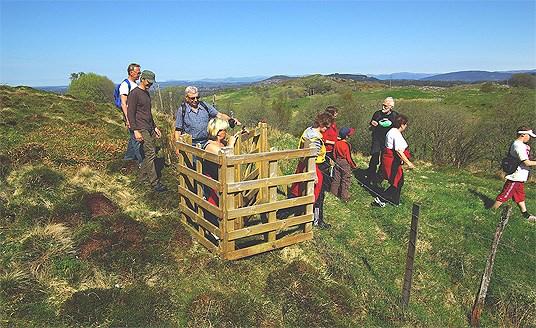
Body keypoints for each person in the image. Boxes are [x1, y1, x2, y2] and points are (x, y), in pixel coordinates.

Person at [277, 112, 335, 228]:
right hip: (314, 167)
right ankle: (316, 220)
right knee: (317, 195)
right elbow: (313, 156)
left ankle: (281, 212)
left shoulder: (308, 130)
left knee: (298, 190)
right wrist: (314, 175)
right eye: (326, 127)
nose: (326, 130)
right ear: (323, 125)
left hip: (302, 165)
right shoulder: (316, 138)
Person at [127, 70, 167, 192]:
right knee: (151, 153)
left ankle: (144, 177)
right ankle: (154, 182)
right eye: (149, 82)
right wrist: (135, 130)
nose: (151, 85)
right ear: (142, 79)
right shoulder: (134, 93)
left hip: (149, 127)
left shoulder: (146, 93)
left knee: (148, 153)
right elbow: (130, 113)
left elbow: (148, 113)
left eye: (152, 83)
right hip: (141, 127)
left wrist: (154, 127)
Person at [492, 126, 536, 222]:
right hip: (516, 176)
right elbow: (526, 162)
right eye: (528, 135)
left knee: (520, 196)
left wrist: (527, 149)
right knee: (504, 195)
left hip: (520, 177)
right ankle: (491, 212)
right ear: (523, 134)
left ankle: (526, 215)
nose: (529, 138)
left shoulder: (520, 145)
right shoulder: (519, 146)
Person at [174, 86, 239, 148]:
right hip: (191, 144)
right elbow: (178, 130)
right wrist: (178, 147)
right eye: (192, 98)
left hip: (206, 142)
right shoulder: (182, 110)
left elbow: (220, 115)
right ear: (186, 98)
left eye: (197, 97)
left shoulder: (204, 105)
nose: (196, 100)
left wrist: (230, 119)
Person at [202, 117, 238, 227]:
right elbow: (225, 158)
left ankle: (225, 225)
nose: (226, 132)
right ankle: (213, 229)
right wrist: (231, 145)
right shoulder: (210, 146)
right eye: (224, 130)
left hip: (221, 178)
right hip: (212, 180)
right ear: (217, 132)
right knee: (215, 204)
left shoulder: (222, 143)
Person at [373, 115, 414, 207]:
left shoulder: (392, 131)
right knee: (398, 181)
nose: (406, 126)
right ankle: (381, 198)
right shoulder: (395, 134)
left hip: (390, 158)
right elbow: (398, 150)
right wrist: (408, 162)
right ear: (402, 125)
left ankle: (395, 201)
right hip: (392, 160)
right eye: (405, 124)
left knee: (398, 181)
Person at [365, 97, 398, 187]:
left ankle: (378, 179)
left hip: (388, 141)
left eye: (386, 105)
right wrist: (372, 125)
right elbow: (370, 128)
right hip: (377, 138)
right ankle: (370, 176)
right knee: (374, 156)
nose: (384, 107)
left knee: (384, 160)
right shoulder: (377, 114)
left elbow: (397, 130)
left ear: (391, 106)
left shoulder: (395, 116)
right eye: (383, 105)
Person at [121, 63, 143, 167]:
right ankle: (142, 163)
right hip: (132, 116)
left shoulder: (135, 84)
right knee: (137, 139)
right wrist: (128, 118)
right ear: (131, 72)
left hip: (137, 115)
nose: (139, 75)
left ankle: (128, 159)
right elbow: (124, 103)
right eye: (138, 73)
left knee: (133, 138)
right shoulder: (125, 85)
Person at [330, 127, 358, 202]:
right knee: (346, 180)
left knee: (336, 178)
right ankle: (345, 197)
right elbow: (348, 157)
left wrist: (336, 160)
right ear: (346, 136)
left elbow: (334, 154)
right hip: (345, 162)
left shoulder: (337, 143)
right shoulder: (347, 145)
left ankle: (333, 194)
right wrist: (353, 165)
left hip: (338, 161)